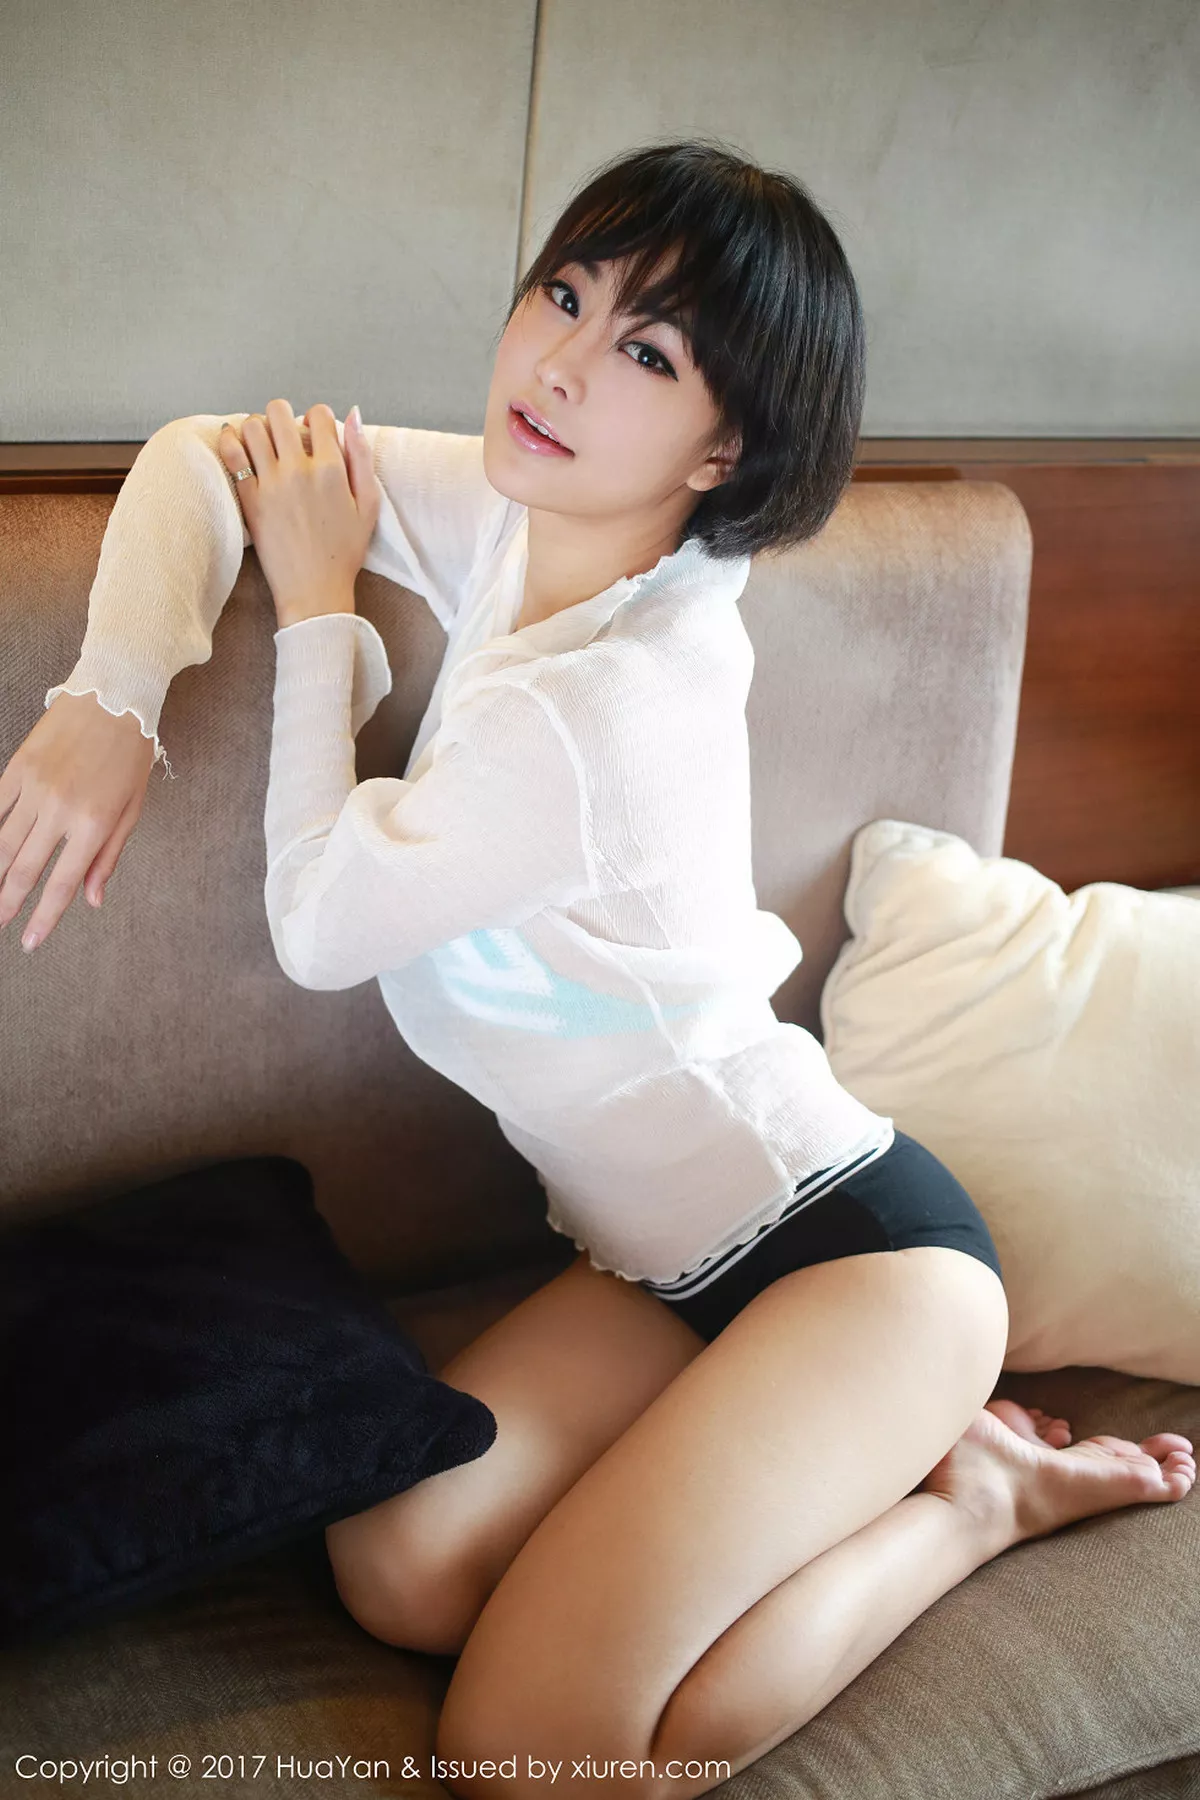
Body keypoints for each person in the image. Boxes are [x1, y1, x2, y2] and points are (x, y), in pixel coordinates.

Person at [1, 139, 1192, 1793]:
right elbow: (213, 453)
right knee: (398, 1569)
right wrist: (108, 699)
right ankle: (931, 1481)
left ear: (725, 447)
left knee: (524, 1752)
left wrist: (325, 602)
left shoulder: (613, 704)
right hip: (653, 1265)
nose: (557, 362)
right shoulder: (536, 514)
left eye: (645, 351)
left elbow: (322, 925)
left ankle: (974, 1505)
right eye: (562, 292)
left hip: (857, 1269)